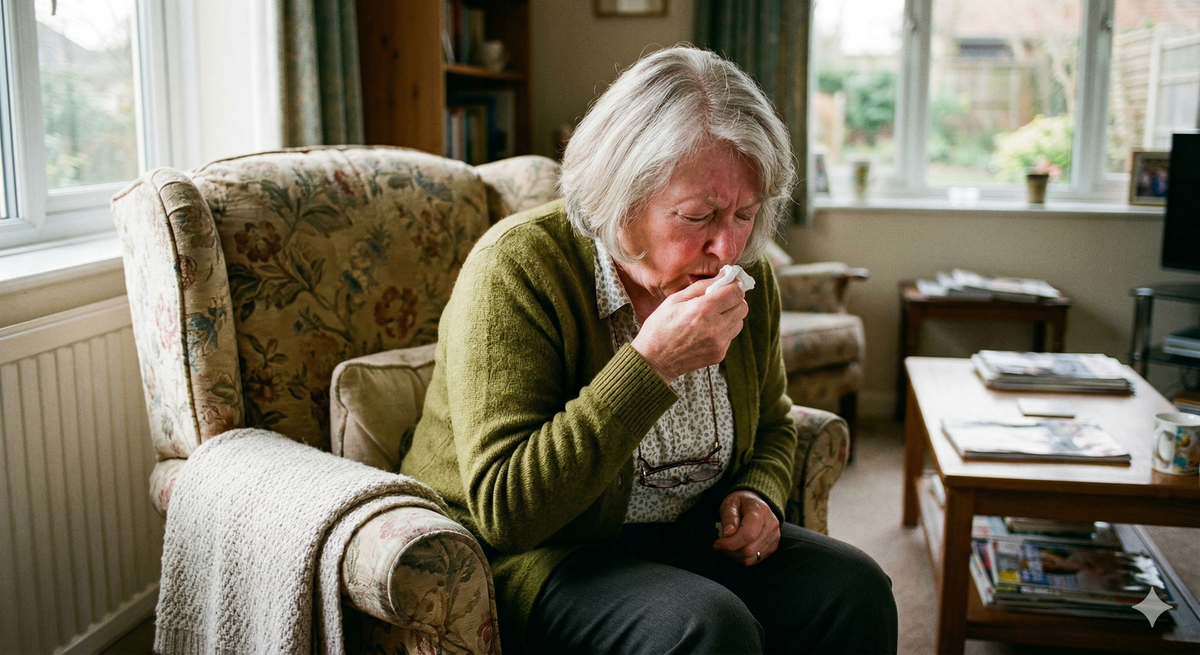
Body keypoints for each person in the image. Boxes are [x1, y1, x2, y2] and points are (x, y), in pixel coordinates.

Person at [400, 45, 897, 654]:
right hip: (542, 554)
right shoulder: (516, 269)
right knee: (708, 626)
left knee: (857, 588)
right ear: (622, 196)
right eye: (698, 215)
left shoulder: (747, 277)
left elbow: (774, 421)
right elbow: (509, 511)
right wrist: (652, 363)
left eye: (745, 213)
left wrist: (758, 492)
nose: (727, 247)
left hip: (687, 534)